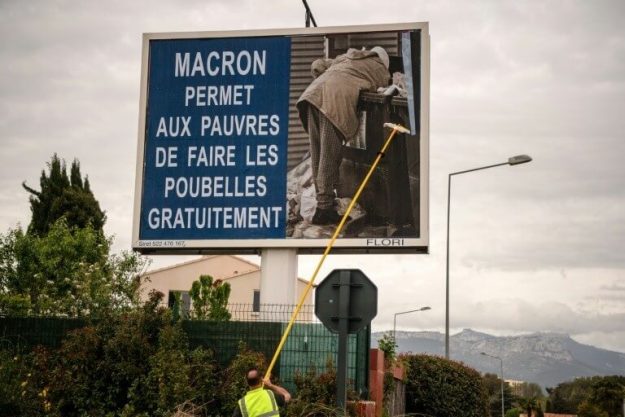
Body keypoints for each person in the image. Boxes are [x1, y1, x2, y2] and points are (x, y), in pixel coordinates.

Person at [297, 46, 390, 225]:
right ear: (383, 60)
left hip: (312, 96)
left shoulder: (347, 57)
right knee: (329, 155)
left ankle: (323, 205)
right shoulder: (378, 66)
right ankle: (324, 209)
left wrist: (329, 82)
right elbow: (385, 87)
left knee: (318, 152)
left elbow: (317, 65)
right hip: (333, 104)